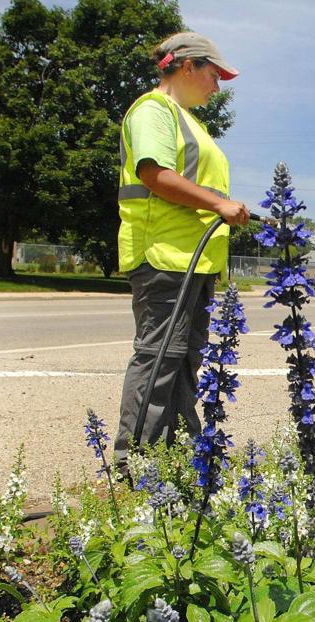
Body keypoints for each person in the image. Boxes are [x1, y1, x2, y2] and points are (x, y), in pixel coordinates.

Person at [114, 31, 250, 472]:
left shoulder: (190, 121)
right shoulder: (153, 110)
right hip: (164, 258)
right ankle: (134, 465)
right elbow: (155, 174)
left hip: (192, 262)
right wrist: (218, 204)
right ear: (187, 66)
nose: (217, 86)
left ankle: (175, 460)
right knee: (159, 361)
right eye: (214, 75)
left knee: (184, 361)